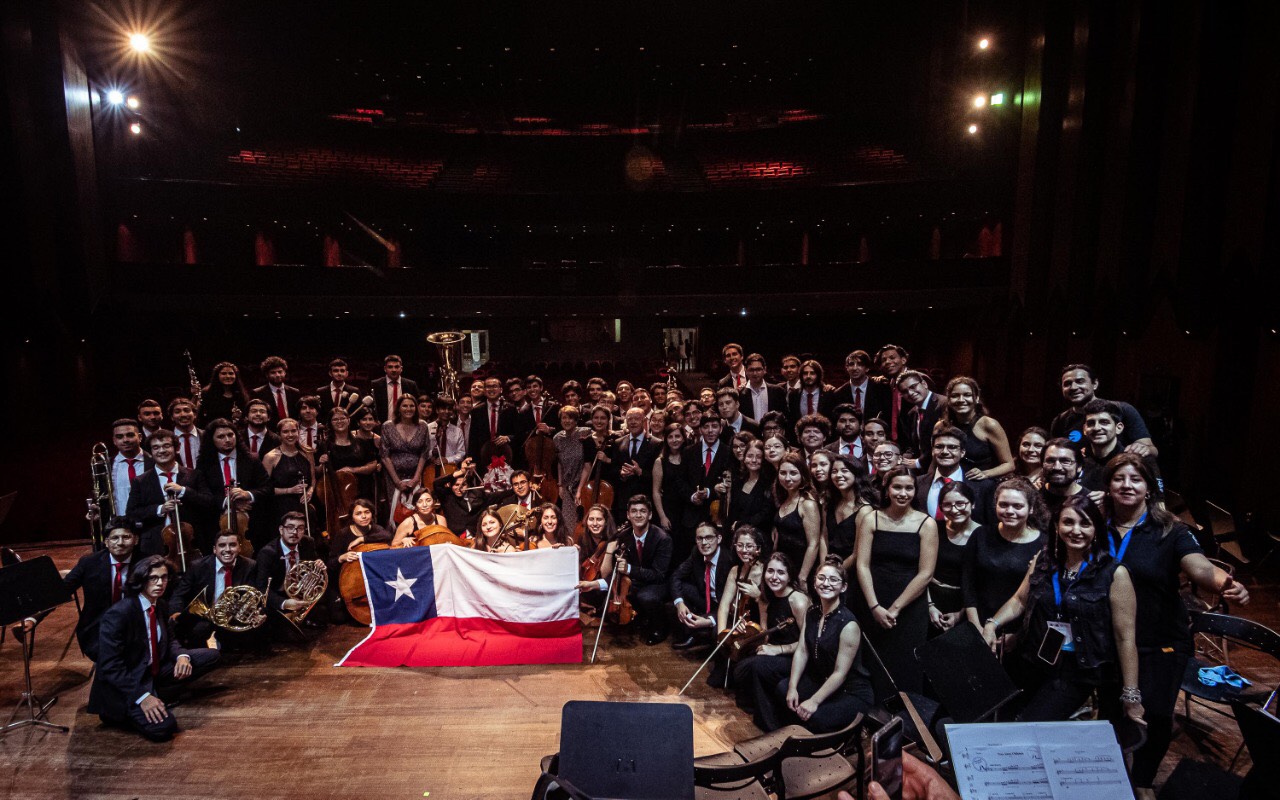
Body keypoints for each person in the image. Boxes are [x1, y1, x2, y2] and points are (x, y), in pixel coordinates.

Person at [1100, 453, 1246, 796]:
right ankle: (1114, 774)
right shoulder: (1094, 526)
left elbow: (1199, 567)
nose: (1127, 485)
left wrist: (1223, 583)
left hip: (1160, 639)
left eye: (1136, 479)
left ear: (1149, 488)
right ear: (1108, 486)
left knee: (1155, 714)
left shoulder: (1171, 530)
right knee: (1111, 710)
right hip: (1109, 637)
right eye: (1119, 478)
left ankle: (1143, 781)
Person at [982, 495, 1144, 725]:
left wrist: (1131, 694)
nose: (1076, 530)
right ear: (1056, 527)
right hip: (1035, 659)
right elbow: (1019, 600)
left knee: (1029, 725)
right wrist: (992, 624)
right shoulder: (1044, 560)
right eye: (1068, 522)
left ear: (1096, 529)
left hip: (1077, 670)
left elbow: (1124, 637)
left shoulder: (1114, 573)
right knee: (1002, 718)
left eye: (1085, 523)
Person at [87, 555, 221, 741]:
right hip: (128, 681)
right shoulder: (119, 613)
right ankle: (119, 712)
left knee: (212, 656)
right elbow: (111, 667)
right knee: (165, 729)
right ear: (140, 580)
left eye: (164, 577)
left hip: (150, 670)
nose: (160, 583)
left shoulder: (160, 605)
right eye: (153, 578)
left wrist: (182, 655)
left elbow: (170, 639)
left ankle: (158, 693)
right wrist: (143, 697)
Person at [758, 556, 875, 732]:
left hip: (850, 691)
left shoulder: (849, 625)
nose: (826, 583)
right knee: (783, 690)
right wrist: (792, 687)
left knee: (817, 718)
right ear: (814, 582)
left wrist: (814, 701)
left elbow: (840, 673)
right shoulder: (812, 612)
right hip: (822, 681)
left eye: (833, 580)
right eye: (821, 578)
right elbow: (802, 650)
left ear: (843, 587)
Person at [855, 466, 938, 693]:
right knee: (872, 665)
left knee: (905, 667)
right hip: (873, 598)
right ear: (887, 489)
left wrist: (894, 609)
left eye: (909, 488)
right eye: (897, 487)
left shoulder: (926, 523)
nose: (903, 493)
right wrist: (874, 606)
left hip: (909, 606)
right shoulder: (872, 519)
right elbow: (862, 564)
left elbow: (926, 574)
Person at [963, 478, 1048, 651]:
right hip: (977, 622)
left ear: (1031, 508)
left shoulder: (1044, 545)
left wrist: (1019, 636)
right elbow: (967, 583)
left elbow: (1037, 599)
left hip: (1019, 632)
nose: (1009, 511)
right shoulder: (980, 534)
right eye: (1003, 505)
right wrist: (975, 627)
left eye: (1018, 506)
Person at [732, 551, 810, 715]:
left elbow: (809, 643)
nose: (774, 577)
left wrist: (778, 650)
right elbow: (766, 634)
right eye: (770, 571)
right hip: (774, 650)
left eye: (781, 572)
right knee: (741, 666)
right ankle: (759, 710)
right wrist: (747, 632)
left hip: (796, 656)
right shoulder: (765, 598)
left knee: (757, 666)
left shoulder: (798, 601)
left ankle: (770, 719)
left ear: (789, 576)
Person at [126, 429, 214, 555]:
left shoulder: (195, 475)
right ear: (151, 452)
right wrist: (160, 509)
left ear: (177, 448)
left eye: (166, 446)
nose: (161, 451)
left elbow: (208, 502)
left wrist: (183, 491)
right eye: (156, 447)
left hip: (191, 542)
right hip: (156, 545)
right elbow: (132, 513)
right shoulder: (140, 481)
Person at [63, 523, 142, 661]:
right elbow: (62, 590)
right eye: (115, 538)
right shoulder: (89, 563)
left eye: (126, 537)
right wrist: (33, 618)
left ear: (136, 540)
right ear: (106, 542)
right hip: (98, 628)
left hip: (137, 627)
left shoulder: (147, 562)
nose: (120, 543)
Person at [171, 529, 259, 648]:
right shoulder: (197, 566)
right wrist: (175, 612)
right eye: (222, 545)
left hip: (232, 617)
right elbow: (179, 594)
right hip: (203, 615)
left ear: (239, 548)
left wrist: (254, 613)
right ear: (214, 549)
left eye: (232, 545)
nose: (227, 549)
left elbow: (253, 596)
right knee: (198, 631)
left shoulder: (249, 565)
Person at [195, 418, 271, 549]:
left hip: (251, 524)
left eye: (230, 435)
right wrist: (228, 502)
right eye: (221, 437)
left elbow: (268, 488)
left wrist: (248, 494)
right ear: (212, 440)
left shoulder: (251, 459)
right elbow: (203, 495)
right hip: (217, 522)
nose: (227, 439)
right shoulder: (204, 464)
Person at [1051, 364, 1158, 457]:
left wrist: (1144, 449)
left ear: (1095, 384)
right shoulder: (1061, 421)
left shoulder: (1122, 410)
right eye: (1067, 384)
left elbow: (1152, 450)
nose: (1073, 387)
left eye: (1080, 381)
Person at [927, 482, 984, 637]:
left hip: (966, 605)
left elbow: (982, 581)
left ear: (972, 504)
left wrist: (961, 614)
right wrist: (930, 606)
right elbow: (921, 569)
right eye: (947, 505)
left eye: (960, 503)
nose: (954, 510)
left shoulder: (984, 535)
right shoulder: (933, 528)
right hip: (931, 598)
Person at [615, 495, 673, 645]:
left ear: (650, 515)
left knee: (646, 596)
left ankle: (660, 627)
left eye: (643, 511)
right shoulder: (624, 536)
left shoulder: (663, 539)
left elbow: (658, 575)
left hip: (659, 583)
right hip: (637, 580)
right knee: (616, 585)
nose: (638, 515)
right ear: (628, 515)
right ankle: (640, 618)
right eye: (634, 511)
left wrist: (629, 569)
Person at [913, 427, 997, 526]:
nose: (945, 451)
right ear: (932, 451)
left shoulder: (983, 486)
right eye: (939, 447)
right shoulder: (917, 483)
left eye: (952, 447)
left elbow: (991, 525)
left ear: (962, 452)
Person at [670, 523, 733, 650]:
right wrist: (679, 603)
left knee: (717, 633)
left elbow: (730, 605)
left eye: (709, 537)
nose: (704, 543)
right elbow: (676, 576)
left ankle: (704, 632)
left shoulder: (729, 560)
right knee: (682, 588)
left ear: (719, 538)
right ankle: (693, 634)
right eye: (700, 538)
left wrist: (710, 620)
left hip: (726, 607)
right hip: (708, 599)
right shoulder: (696, 552)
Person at [937, 376, 1014, 479]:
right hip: (949, 482)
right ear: (949, 400)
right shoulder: (941, 426)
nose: (961, 400)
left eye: (967, 395)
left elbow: (1009, 464)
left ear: (977, 398)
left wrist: (985, 473)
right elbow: (934, 462)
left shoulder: (989, 424)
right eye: (955, 396)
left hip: (979, 483)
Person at [254, 511, 324, 622]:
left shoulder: (308, 543)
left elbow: (313, 566)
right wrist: (284, 603)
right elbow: (261, 588)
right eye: (290, 527)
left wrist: (319, 566)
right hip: (277, 596)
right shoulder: (267, 553)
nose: (295, 532)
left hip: (300, 594)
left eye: (300, 528)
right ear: (281, 530)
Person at [1080, 399, 1161, 493]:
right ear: (1084, 429)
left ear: (1119, 428)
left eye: (1104, 422)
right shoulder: (1078, 461)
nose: (1096, 428)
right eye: (1091, 423)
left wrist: (1108, 498)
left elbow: (1158, 500)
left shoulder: (1139, 460)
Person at [772, 451, 823, 584]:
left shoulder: (808, 503)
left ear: (803, 475)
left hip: (801, 569)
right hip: (783, 567)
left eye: (793, 473)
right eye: (783, 473)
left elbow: (813, 544)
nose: (787, 478)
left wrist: (802, 577)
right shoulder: (783, 499)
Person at [317, 407, 380, 509]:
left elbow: (373, 464)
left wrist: (353, 470)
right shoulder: (325, 445)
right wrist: (322, 464)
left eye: (342, 418)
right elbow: (317, 471)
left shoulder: (361, 442)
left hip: (361, 490)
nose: (339, 422)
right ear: (330, 423)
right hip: (337, 493)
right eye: (335, 419)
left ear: (348, 420)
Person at [262, 418, 317, 528]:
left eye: (293, 431)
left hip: (304, 506)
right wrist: (290, 490)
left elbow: (313, 479)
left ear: (298, 432)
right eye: (285, 432)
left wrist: (310, 491)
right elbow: (264, 488)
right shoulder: (270, 457)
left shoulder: (307, 452)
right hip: (281, 508)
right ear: (279, 434)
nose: (290, 435)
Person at [608, 407, 660, 520]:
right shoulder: (618, 442)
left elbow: (660, 477)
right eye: (630, 419)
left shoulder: (656, 444)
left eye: (636, 419)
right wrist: (621, 473)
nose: (633, 422)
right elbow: (612, 469)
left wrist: (640, 472)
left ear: (644, 421)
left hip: (646, 501)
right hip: (623, 502)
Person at [380, 394, 432, 506]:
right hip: (393, 477)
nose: (408, 409)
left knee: (417, 506)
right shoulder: (387, 426)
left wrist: (416, 478)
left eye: (411, 406)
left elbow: (424, 453)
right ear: (398, 408)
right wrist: (397, 481)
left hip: (416, 476)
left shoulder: (423, 426)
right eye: (405, 406)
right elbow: (384, 455)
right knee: (396, 509)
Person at [826, 453, 874, 572]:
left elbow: (857, 553)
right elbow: (823, 539)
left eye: (844, 471)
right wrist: (824, 568)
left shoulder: (864, 510)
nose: (838, 475)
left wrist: (835, 573)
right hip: (827, 567)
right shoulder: (830, 503)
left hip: (851, 570)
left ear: (855, 473)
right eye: (834, 471)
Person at [723, 439, 777, 533]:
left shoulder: (769, 483)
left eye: (759, 457)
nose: (754, 460)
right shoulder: (738, 481)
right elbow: (732, 512)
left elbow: (766, 514)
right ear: (744, 458)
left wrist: (741, 524)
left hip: (758, 534)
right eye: (750, 456)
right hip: (735, 534)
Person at [329, 499, 394, 575]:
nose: (364, 516)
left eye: (367, 512)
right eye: (358, 513)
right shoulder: (343, 534)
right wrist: (341, 558)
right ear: (352, 517)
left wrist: (362, 539)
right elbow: (330, 563)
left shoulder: (377, 529)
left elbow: (388, 536)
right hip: (351, 575)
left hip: (374, 574)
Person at [897, 370, 943, 470]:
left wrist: (919, 463)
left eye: (913, 387)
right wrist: (904, 458)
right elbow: (915, 445)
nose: (910, 393)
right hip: (922, 470)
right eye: (904, 391)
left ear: (924, 384)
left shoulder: (943, 405)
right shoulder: (912, 413)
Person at [832, 349, 891, 424]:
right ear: (847, 368)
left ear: (867, 368)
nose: (855, 368)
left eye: (859, 364)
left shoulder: (881, 388)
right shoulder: (838, 394)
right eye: (851, 364)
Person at [1039, 438, 1090, 517]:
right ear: (1042, 464)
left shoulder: (1091, 500)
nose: (1057, 467)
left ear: (1079, 466)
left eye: (1065, 461)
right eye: (1050, 461)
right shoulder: (1033, 498)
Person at [370, 354, 421, 423]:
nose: (393, 370)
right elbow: (371, 407)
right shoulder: (376, 385)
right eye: (390, 367)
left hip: (406, 424)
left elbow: (417, 405)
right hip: (382, 424)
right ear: (385, 369)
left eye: (396, 367)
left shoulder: (411, 385)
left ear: (401, 368)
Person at [874, 344, 910, 440]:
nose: (887, 362)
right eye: (884, 360)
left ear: (903, 360)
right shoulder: (888, 383)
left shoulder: (919, 379)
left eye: (892, 358)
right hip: (895, 439)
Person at [251, 355, 300, 426]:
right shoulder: (258, 393)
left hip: (291, 429)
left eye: (280, 372)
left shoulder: (295, 392)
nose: (277, 375)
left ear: (285, 373)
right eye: (273, 372)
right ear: (267, 375)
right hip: (269, 429)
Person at [198, 361, 251, 427]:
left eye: (231, 373)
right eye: (223, 373)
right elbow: (200, 417)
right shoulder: (206, 393)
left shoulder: (241, 395)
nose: (228, 376)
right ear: (217, 376)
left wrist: (240, 418)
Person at [739, 353, 787, 423]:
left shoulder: (778, 391)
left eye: (758, 369)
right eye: (751, 370)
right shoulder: (740, 395)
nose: (755, 373)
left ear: (764, 370)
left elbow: (784, 417)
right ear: (746, 371)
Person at [823, 403, 866, 467]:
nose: (847, 424)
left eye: (852, 421)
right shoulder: (827, 450)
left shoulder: (868, 447)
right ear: (835, 425)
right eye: (842, 421)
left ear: (861, 425)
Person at [170, 398, 202, 470]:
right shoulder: (167, 438)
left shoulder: (207, 436)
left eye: (186, 410)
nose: (183, 415)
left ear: (195, 414)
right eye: (177, 412)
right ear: (172, 417)